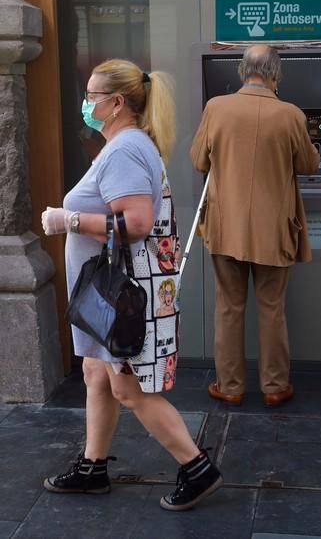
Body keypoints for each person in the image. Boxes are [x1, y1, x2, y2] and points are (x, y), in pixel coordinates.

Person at [41, 59, 223, 510]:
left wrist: (70, 220)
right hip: (109, 293)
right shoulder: (126, 144)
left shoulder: (124, 149)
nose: (85, 103)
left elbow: (137, 223)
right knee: (95, 374)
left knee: (128, 388)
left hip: (121, 294)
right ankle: (92, 466)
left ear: (116, 103)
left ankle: (197, 467)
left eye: (91, 96)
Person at [190, 44, 320, 406]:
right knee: (272, 308)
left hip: (225, 227)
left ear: (242, 71)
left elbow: (199, 159)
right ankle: (275, 387)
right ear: (276, 74)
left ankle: (229, 387)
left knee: (229, 308)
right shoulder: (291, 114)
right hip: (274, 230)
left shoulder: (217, 107)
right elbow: (310, 165)